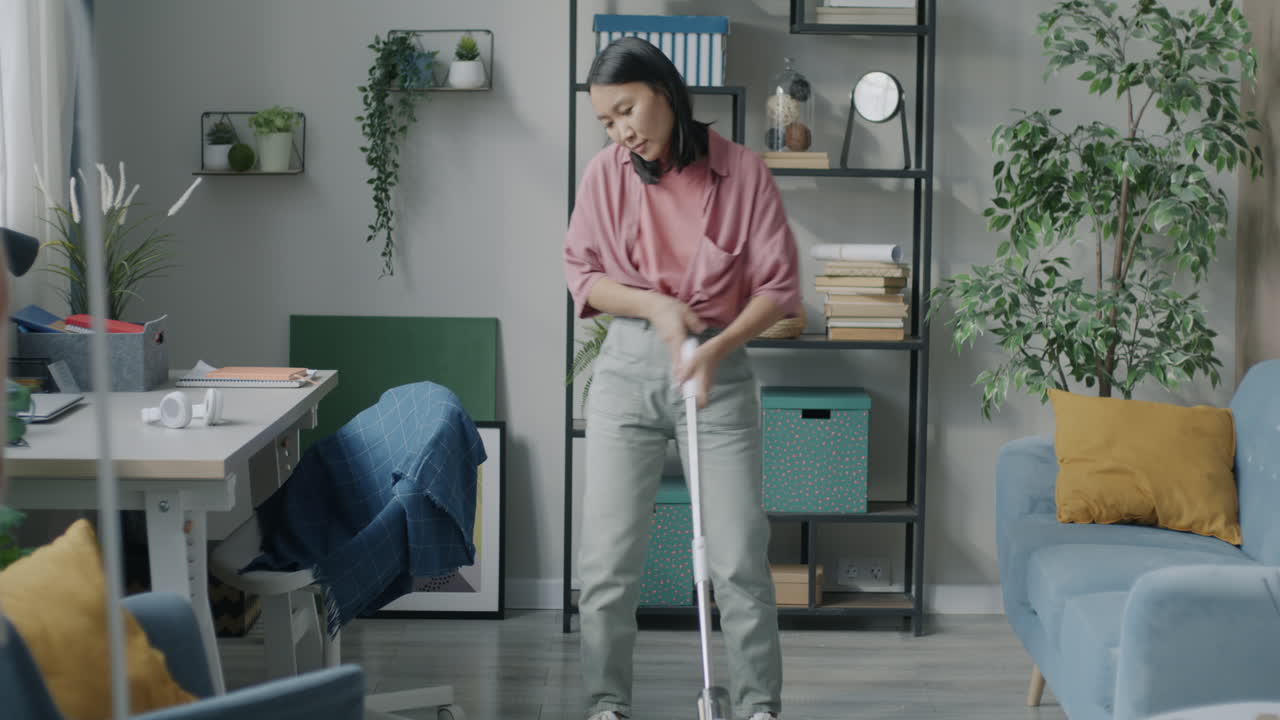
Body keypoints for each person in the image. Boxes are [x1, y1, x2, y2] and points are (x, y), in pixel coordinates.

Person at [564, 36, 801, 720]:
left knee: (738, 561)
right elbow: (583, 275)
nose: (622, 131)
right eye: (607, 121)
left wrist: (716, 345)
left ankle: (760, 707)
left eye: (628, 109)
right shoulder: (605, 175)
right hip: (626, 375)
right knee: (607, 567)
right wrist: (658, 308)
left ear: (664, 90)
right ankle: (606, 703)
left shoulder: (744, 173)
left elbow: (779, 288)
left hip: (717, 375)